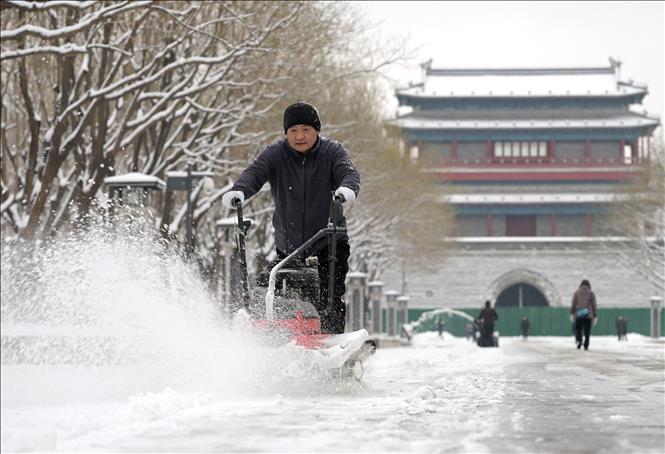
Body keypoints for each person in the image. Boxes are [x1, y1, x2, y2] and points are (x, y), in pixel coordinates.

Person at [222, 102, 360, 334]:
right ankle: (280, 336)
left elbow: (349, 173)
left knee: (330, 296)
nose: (299, 136)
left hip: (329, 241)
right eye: (293, 131)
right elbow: (255, 173)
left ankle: (329, 339)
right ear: (286, 133)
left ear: (316, 130)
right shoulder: (276, 153)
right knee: (273, 290)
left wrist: (347, 191)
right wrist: (239, 191)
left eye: (306, 129)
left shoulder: (333, 152)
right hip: (290, 245)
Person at [570, 279, 598, 351]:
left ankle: (579, 340)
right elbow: (594, 305)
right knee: (587, 331)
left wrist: (572, 312)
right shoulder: (591, 293)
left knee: (578, 329)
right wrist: (595, 315)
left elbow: (573, 303)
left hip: (578, 314)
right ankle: (586, 344)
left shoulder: (576, 292)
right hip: (588, 314)